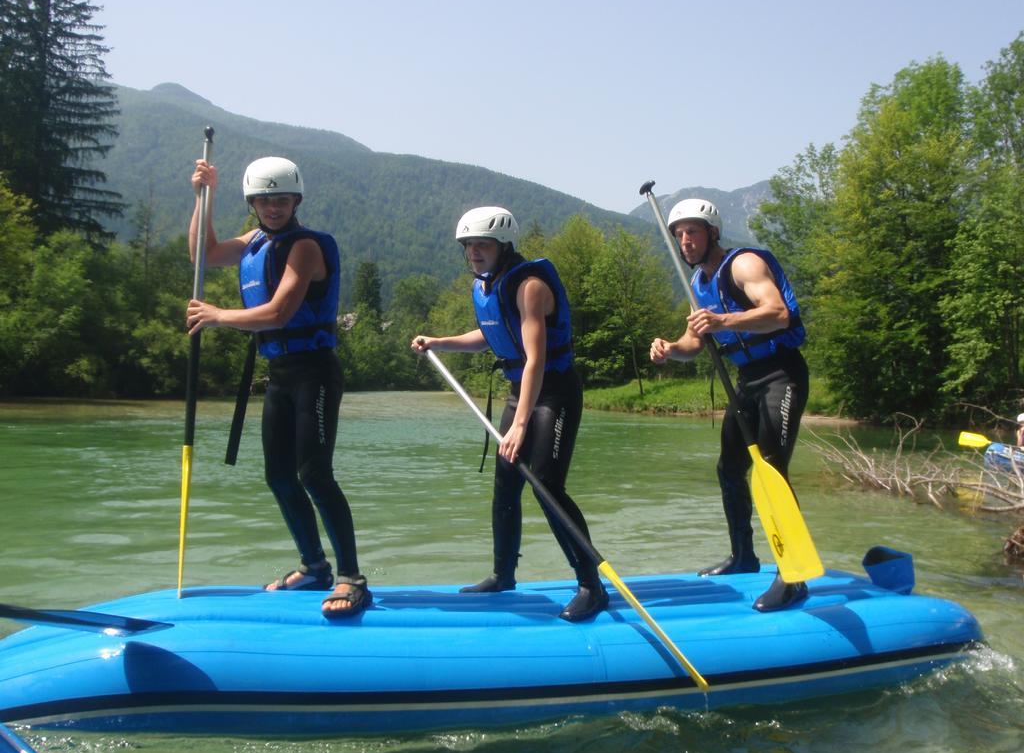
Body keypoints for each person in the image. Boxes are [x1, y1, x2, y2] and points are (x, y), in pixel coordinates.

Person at [186, 155, 369, 618]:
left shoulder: (305, 247)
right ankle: (314, 567)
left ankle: (352, 576)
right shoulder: (254, 242)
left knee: (314, 474)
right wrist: (202, 198)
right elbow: (203, 256)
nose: (273, 207)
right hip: (280, 374)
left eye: (282, 200)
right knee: (279, 475)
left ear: (296, 201)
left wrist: (217, 315)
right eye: (265, 200)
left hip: (315, 373)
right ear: (253, 203)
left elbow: (279, 313)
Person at [411, 206, 608, 622]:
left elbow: (535, 358)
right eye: (468, 246)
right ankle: (503, 574)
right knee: (506, 487)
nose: (474, 253)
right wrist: (439, 341)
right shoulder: (490, 286)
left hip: (553, 392)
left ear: (503, 245)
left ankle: (591, 584)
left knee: (547, 487)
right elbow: (490, 335)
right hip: (520, 393)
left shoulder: (530, 286)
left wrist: (519, 425)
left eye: (482, 245)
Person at [649, 198, 809, 612]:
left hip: (781, 373)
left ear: (712, 233)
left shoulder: (743, 265)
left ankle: (792, 576)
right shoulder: (699, 285)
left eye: (693, 232)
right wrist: (670, 349)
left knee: (771, 470)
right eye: (679, 234)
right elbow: (694, 343)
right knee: (730, 469)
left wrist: (723, 321)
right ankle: (743, 556)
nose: (685, 241)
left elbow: (777, 314)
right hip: (747, 380)